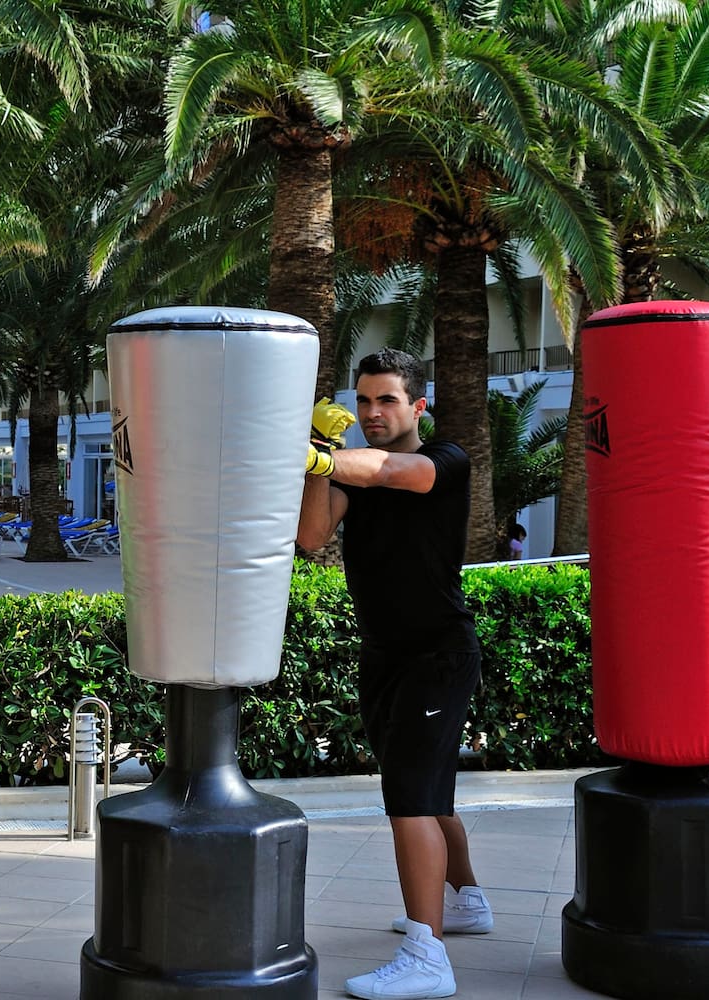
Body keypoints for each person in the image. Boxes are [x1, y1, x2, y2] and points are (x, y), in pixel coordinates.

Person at [295, 349, 488, 1000]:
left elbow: (388, 469)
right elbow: (311, 534)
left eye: (387, 401)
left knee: (409, 796)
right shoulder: (347, 474)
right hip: (384, 656)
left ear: (417, 407)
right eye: (364, 401)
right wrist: (321, 454)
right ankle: (465, 900)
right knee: (427, 792)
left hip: (439, 653)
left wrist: (321, 456)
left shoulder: (445, 462)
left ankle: (427, 957)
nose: (373, 413)